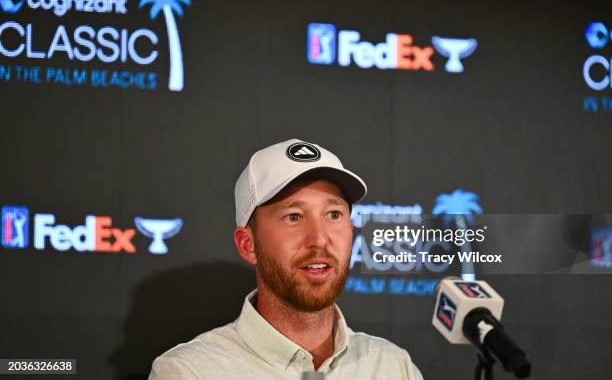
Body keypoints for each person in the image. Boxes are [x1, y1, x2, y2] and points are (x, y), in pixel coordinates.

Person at [149, 139, 423, 379]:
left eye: (333, 215)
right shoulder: (191, 372)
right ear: (248, 245)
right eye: (294, 217)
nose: (319, 238)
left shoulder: (393, 366)